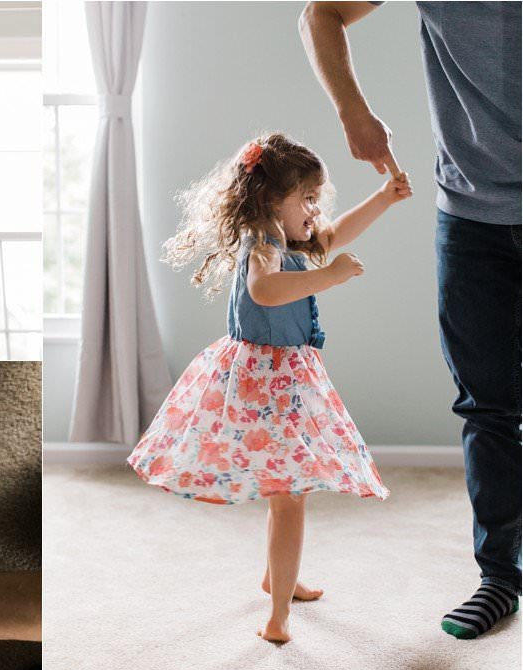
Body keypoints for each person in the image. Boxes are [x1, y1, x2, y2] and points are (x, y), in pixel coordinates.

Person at [128, 132, 411, 643]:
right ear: (269, 200)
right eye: (305, 198)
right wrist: (332, 278)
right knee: (289, 497)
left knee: (289, 494)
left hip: (289, 383)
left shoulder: (288, 241)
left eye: (315, 198)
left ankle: (279, 577)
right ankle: (279, 612)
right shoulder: (262, 245)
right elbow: (265, 290)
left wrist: (385, 198)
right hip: (264, 386)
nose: (315, 208)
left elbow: (334, 235)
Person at [300, 0, 521, 640]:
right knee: (488, 405)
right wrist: (353, 112)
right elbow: (321, 12)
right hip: (473, 213)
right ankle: (499, 579)